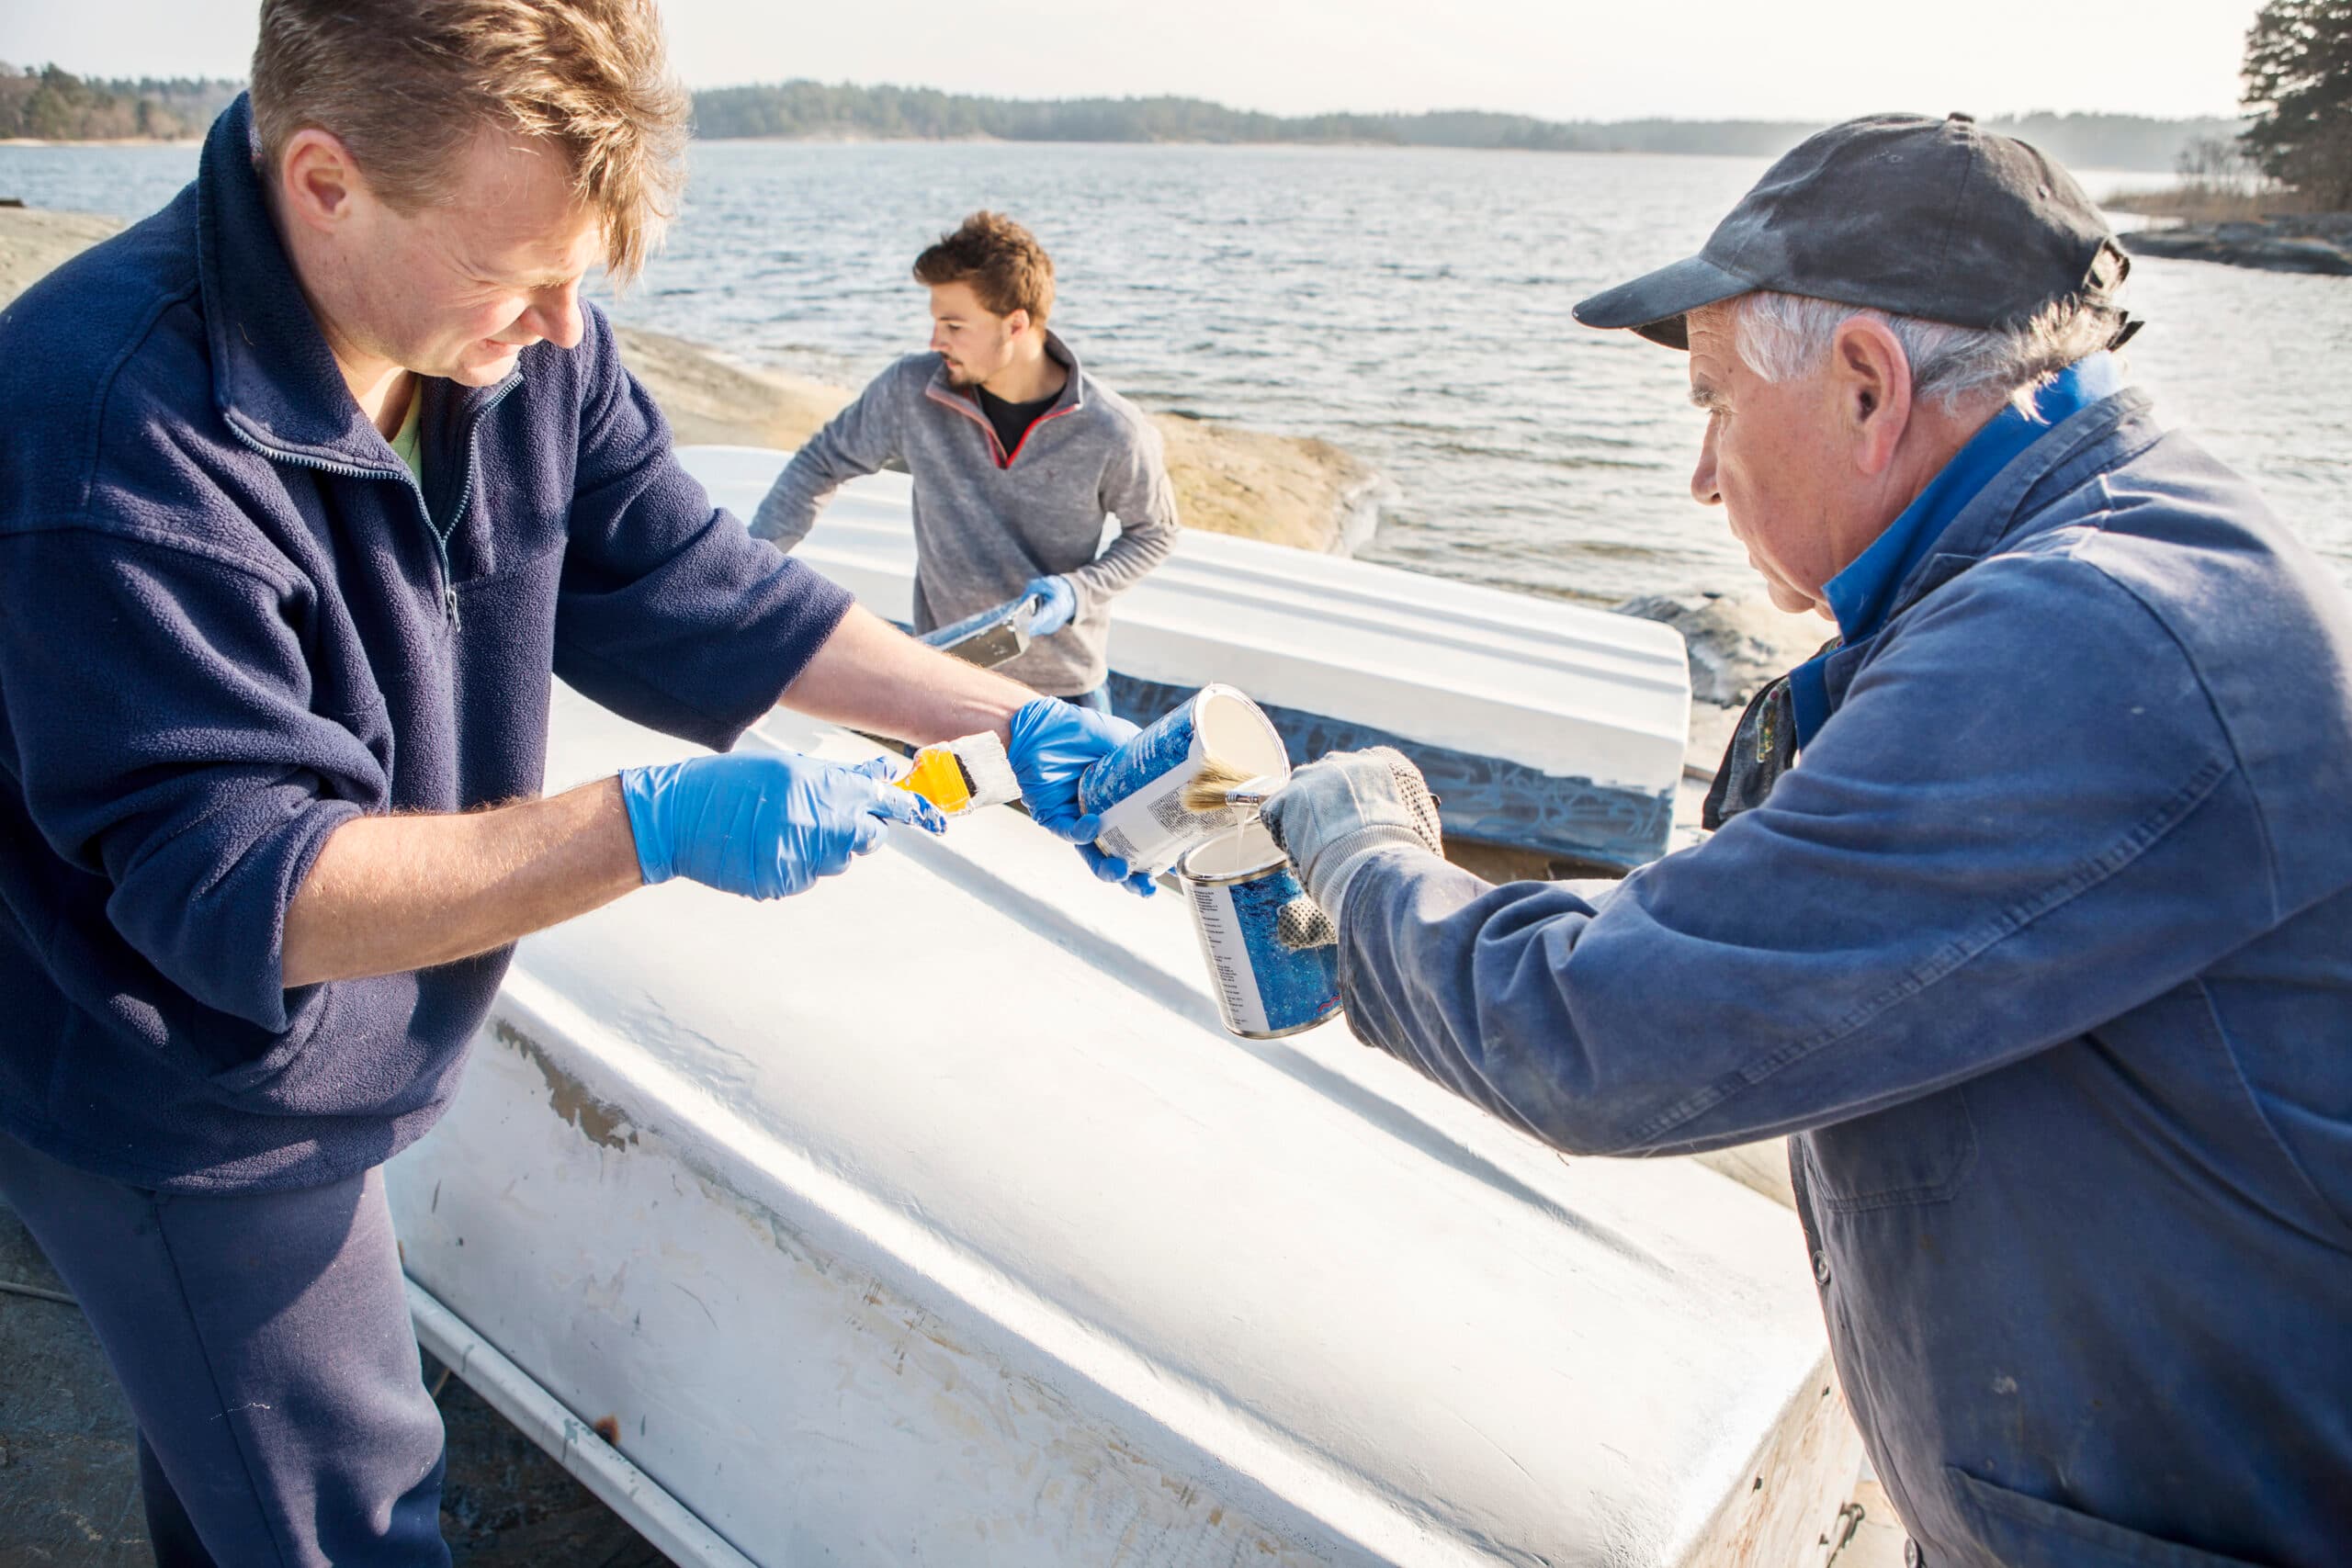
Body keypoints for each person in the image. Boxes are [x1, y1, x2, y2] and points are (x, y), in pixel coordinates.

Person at [0, 3, 1147, 1562]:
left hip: (352, 1034)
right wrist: (645, 825)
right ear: (324, 183)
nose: (559, 328)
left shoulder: (506, 334)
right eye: (518, 278)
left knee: (232, 1485)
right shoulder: (100, 430)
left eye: (583, 277)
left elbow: (692, 578)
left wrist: (1008, 730)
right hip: (174, 1082)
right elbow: (241, 891)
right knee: (354, 1511)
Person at [1262, 114, 2352, 1565]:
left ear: (1866, 386)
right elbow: (1785, 929)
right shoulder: (2103, 550)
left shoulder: (2082, 632)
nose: (1702, 477)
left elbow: (1607, 1033)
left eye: (1712, 402)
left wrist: (1361, 857)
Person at [752, 210, 1179, 713]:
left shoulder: (1114, 430)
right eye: (935, 322)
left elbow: (1155, 532)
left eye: (954, 325)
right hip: (941, 681)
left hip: (1065, 690)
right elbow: (820, 464)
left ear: (1016, 324)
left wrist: (1077, 590)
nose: (936, 341)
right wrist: (754, 565)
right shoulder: (910, 391)